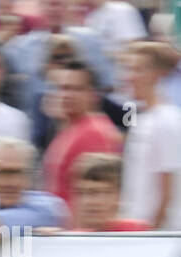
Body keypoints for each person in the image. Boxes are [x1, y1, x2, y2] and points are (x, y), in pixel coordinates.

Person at [40, 60, 123, 205]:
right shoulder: (67, 128)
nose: (67, 95)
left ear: (93, 94)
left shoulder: (95, 133)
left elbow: (99, 196)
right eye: (63, 88)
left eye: (76, 89)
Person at [118, 40, 181, 228]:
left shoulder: (168, 121)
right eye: (129, 69)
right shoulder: (144, 119)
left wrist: (152, 232)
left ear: (159, 75)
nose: (129, 77)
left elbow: (168, 193)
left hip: (158, 239)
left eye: (138, 70)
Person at [67, 152, 152, 231]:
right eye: (79, 192)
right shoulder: (66, 241)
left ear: (119, 195)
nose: (86, 201)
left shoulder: (138, 233)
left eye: (95, 192)